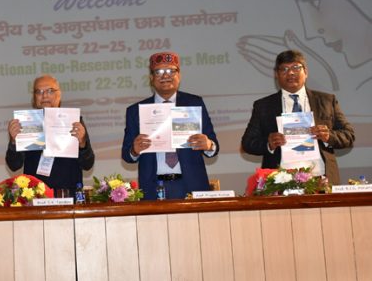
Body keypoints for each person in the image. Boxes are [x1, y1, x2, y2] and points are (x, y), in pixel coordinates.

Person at [241, 49, 355, 185]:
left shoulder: (326, 101)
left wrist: (328, 136)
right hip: (280, 181)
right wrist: (269, 143)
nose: (291, 73)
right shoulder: (263, 106)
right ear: (276, 75)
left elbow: (349, 136)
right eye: (284, 69)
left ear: (305, 72)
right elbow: (248, 143)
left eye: (296, 67)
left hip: (321, 179)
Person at [122, 52, 219, 200]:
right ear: (151, 78)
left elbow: (214, 146)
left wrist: (208, 144)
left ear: (179, 76)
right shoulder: (136, 111)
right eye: (159, 71)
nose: (165, 75)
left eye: (171, 71)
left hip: (191, 185)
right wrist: (134, 151)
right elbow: (127, 155)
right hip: (153, 187)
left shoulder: (194, 103)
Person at [6, 75, 94, 193]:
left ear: (59, 95)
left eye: (50, 91)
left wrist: (83, 143)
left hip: (68, 195)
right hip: (35, 195)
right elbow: (14, 165)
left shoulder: (74, 121)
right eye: (39, 92)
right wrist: (13, 141)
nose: (45, 95)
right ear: (34, 98)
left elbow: (88, 164)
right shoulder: (27, 123)